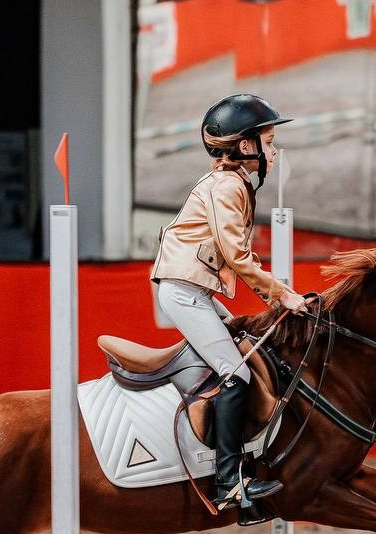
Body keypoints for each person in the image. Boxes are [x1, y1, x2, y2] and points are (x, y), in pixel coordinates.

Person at [150, 93, 308, 512]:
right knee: (236, 374)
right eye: (269, 142)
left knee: (247, 353)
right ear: (245, 146)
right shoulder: (227, 185)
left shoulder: (231, 184)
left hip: (193, 290)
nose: (273, 152)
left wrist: (275, 291)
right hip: (184, 292)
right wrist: (281, 294)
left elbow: (241, 257)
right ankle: (228, 484)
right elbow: (236, 255)